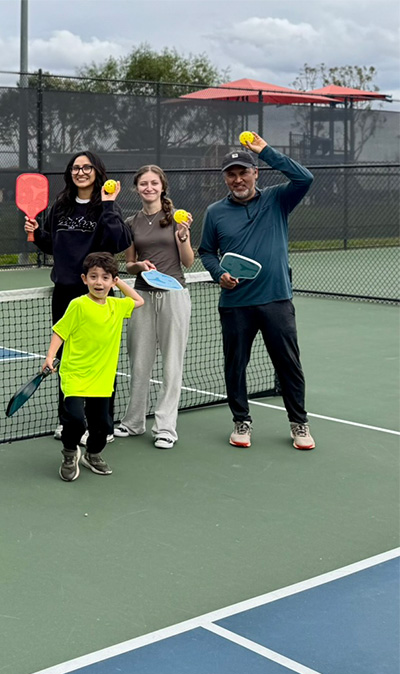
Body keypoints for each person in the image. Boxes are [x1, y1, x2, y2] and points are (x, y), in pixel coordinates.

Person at [198, 133, 315, 450]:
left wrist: (265, 150)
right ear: (225, 178)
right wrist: (219, 273)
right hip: (236, 304)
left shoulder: (278, 199)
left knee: (288, 364)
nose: (237, 179)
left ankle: (299, 424)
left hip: (277, 299)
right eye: (231, 174)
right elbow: (206, 251)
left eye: (243, 172)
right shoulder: (215, 212)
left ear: (255, 173)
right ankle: (241, 421)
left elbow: (305, 178)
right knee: (235, 365)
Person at [24, 151, 132, 442]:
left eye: (86, 167)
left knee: (99, 360)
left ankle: (102, 425)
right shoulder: (60, 205)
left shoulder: (107, 206)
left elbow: (118, 241)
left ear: (97, 171)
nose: (80, 172)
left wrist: (108, 206)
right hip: (65, 292)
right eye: (75, 167)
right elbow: (53, 245)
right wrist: (37, 233)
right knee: (65, 360)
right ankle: (69, 420)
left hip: (97, 294)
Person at [114, 165, 195, 449]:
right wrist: (140, 266)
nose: (149, 188)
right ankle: (134, 422)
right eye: (143, 184)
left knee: (172, 363)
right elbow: (129, 263)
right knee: (139, 360)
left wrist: (183, 239)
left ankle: (165, 427)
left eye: (154, 183)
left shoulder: (176, 219)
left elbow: (187, 262)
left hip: (174, 295)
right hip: (141, 297)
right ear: (137, 188)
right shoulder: (131, 222)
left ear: (163, 187)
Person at [44, 252, 143, 481]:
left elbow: (139, 301)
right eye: (94, 276)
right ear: (84, 279)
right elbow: (60, 331)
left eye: (106, 277)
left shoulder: (117, 306)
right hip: (75, 375)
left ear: (113, 281)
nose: (99, 282)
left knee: (103, 426)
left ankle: (93, 454)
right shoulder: (78, 305)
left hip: (102, 377)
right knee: (75, 420)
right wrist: (50, 357)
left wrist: (121, 283)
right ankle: (70, 453)